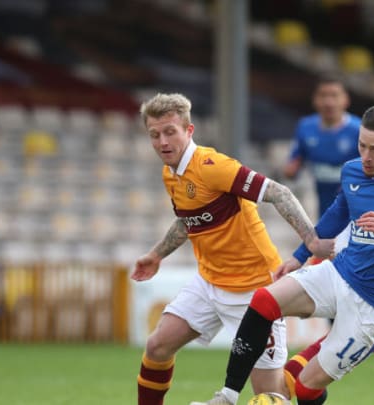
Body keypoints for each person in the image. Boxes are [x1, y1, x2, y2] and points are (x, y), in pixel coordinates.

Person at [192, 105, 374, 405]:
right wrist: (299, 255)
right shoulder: (352, 170)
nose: (366, 157)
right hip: (339, 273)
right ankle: (228, 397)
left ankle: (370, 340)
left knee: (306, 390)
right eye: (362, 146)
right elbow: (336, 216)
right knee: (263, 301)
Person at [132, 93, 334, 405]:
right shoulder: (170, 173)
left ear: (189, 130)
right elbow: (189, 220)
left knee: (271, 395)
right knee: (158, 345)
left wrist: (311, 241)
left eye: (170, 131)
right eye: (154, 135)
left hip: (253, 288)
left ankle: (316, 369)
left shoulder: (213, 167)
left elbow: (279, 193)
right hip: (209, 282)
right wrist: (157, 254)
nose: (162, 141)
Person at [282, 74, 361, 221]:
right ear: (315, 100)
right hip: (322, 207)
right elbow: (294, 163)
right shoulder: (305, 127)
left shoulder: (359, 129)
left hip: (354, 209)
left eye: (334, 95)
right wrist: (291, 169)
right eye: (323, 95)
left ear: (346, 99)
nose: (328, 102)